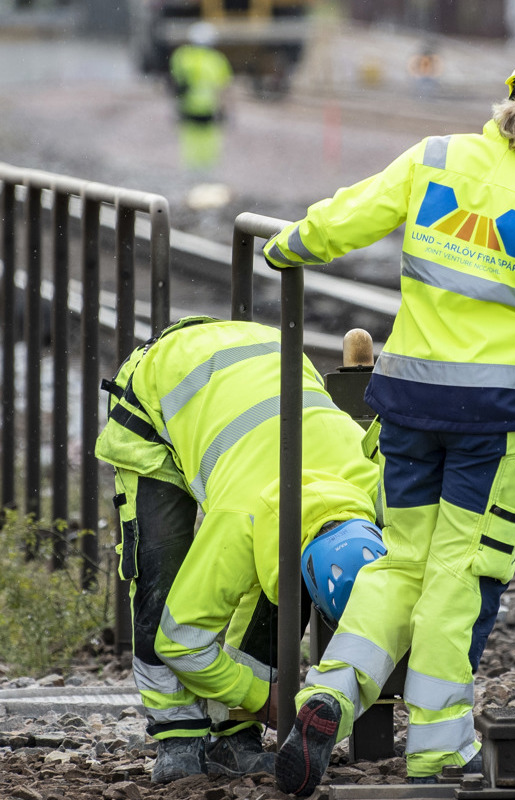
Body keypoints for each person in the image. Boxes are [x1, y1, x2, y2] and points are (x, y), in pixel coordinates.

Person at [262, 40, 515, 794]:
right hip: (496, 426)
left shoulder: (436, 158)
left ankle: (330, 696)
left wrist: (288, 246)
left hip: (410, 409)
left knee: (401, 565)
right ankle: (440, 748)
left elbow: (349, 217)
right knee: (460, 577)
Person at [93, 316, 383, 784]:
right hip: (160, 386)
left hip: (266, 348)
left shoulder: (373, 481)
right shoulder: (239, 517)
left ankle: (234, 737)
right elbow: (180, 641)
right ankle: (177, 736)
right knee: (161, 578)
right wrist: (262, 698)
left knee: (278, 585)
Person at [169, 21, 233, 171]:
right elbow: (224, 89)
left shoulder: (182, 56)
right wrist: (225, 111)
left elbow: (175, 83)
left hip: (187, 108)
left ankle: (191, 172)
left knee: (190, 143)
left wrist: (176, 103)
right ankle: (206, 172)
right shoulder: (217, 60)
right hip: (209, 110)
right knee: (208, 145)